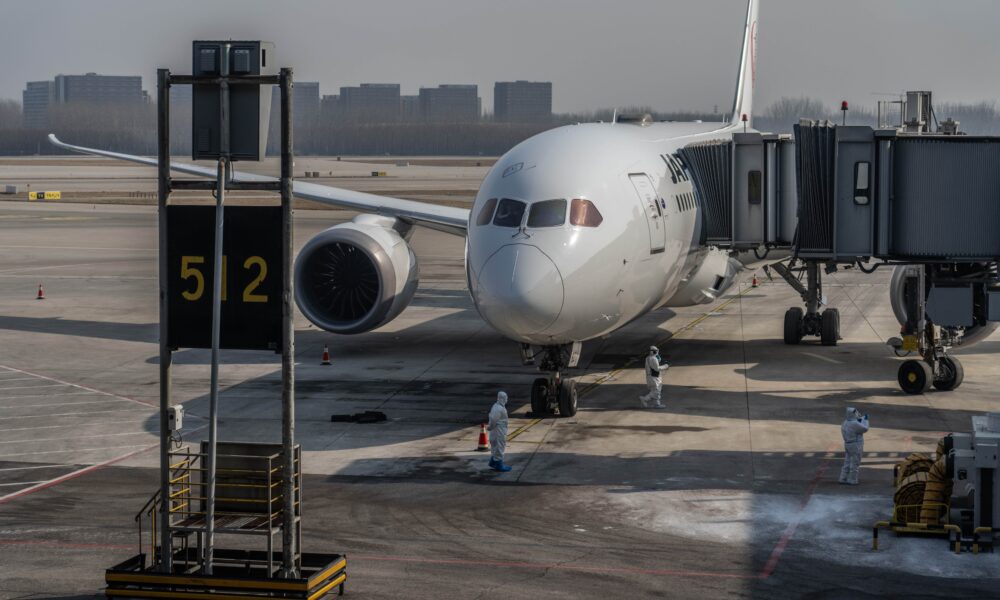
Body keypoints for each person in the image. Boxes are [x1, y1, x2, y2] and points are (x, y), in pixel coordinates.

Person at [839, 407, 869, 485]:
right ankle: (852, 479)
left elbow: (857, 423)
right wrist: (865, 420)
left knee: (847, 462)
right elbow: (865, 429)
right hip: (856, 444)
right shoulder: (854, 424)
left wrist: (860, 419)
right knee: (855, 462)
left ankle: (843, 478)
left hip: (848, 444)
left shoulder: (845, 422)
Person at [487, 391, 511, 472]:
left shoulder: (496, 406)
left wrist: (490, 427)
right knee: (499, 446)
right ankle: (499, 465)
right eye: (505, 398)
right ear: (502, 398)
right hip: (499, 431)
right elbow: (493, 419)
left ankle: (493, 462)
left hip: (496, 430)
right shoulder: (499, 408)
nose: (506, 399)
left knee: (495, 446)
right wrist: (490, 427)